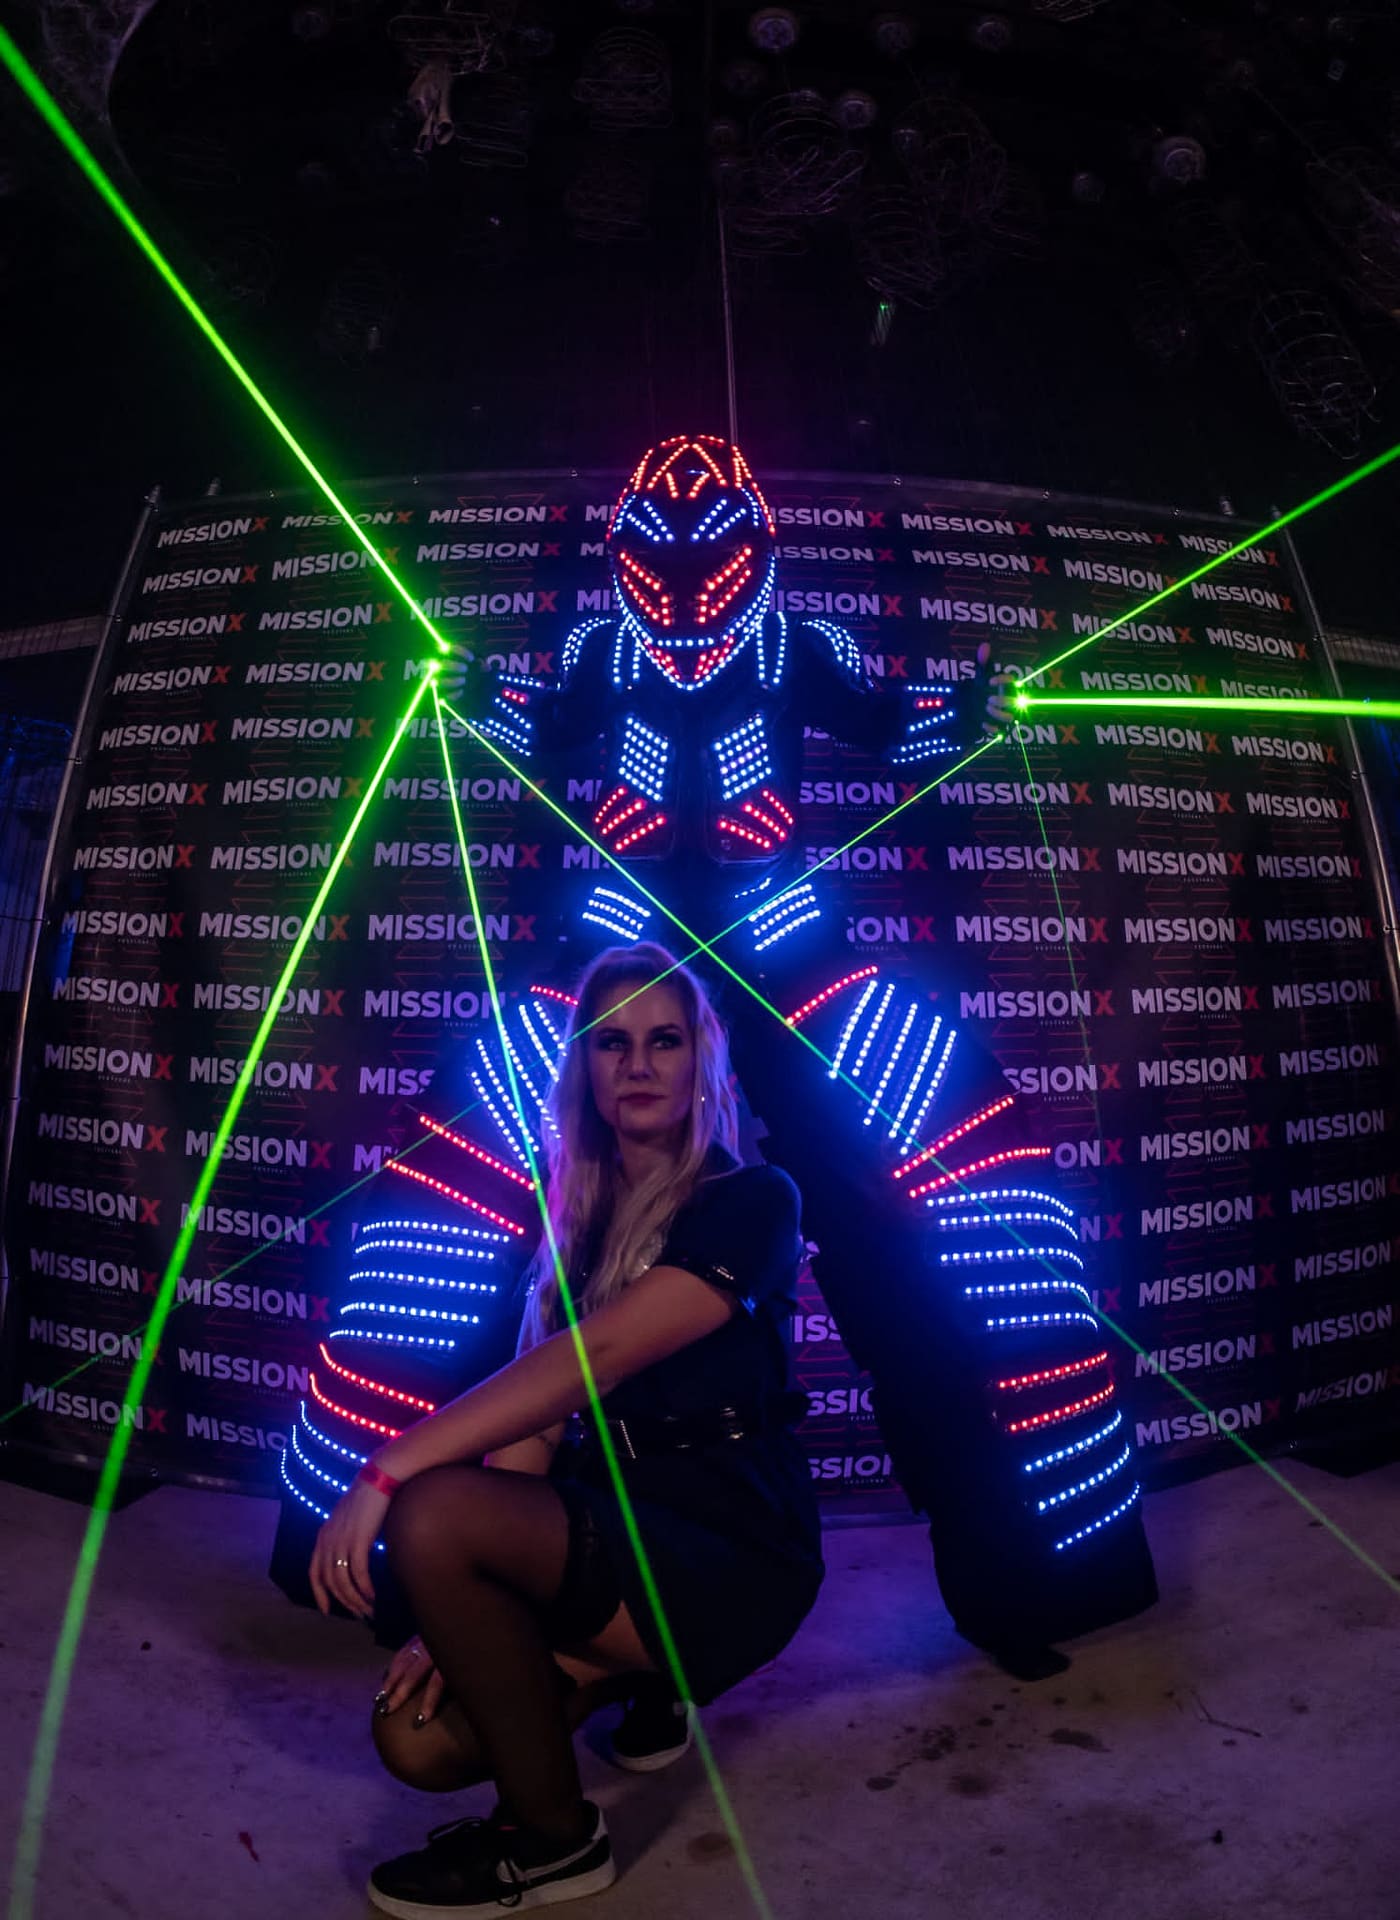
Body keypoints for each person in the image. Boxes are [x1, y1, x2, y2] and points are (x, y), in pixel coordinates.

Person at [310, 941, 824, 1916]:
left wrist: (389, 1471)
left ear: (702, 1059)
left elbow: (598, 1357)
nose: (638, 1064)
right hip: (615, 1526)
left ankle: (551, 1842)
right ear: (584, 1067)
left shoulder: (754, 1200)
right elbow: (536, 1435)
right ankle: (643, 1684)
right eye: (610, 1042)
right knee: (417, 1741)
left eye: (664, 1040)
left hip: (730, 1545)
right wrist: (463, 1609)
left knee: (431, 1510)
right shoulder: (575, 1222)